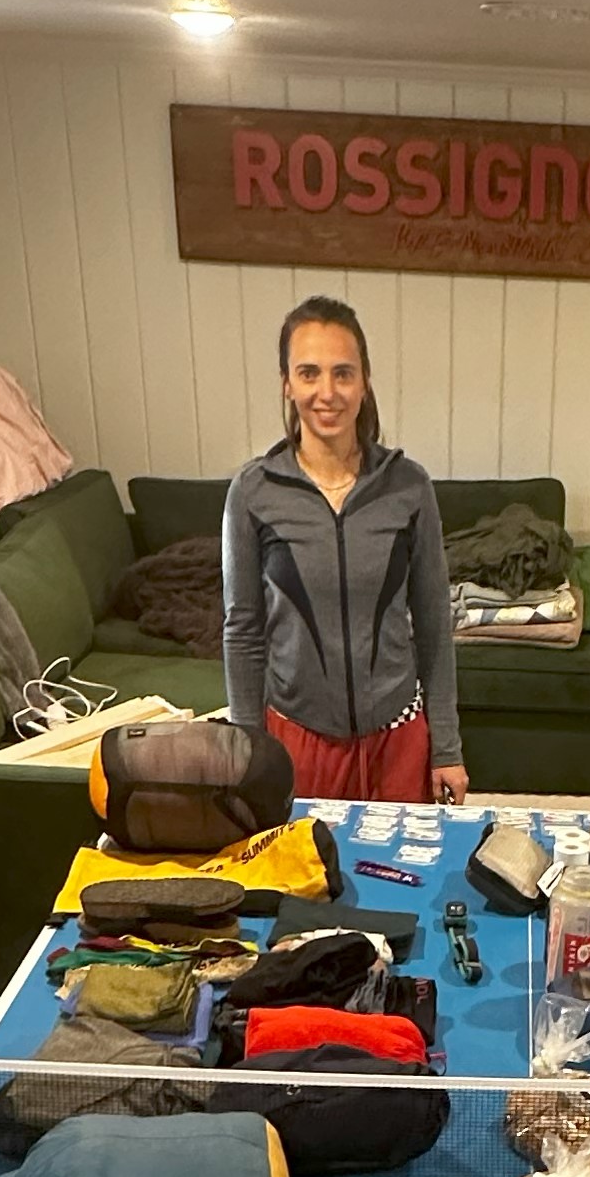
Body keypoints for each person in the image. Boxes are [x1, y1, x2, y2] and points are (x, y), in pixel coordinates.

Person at [221, 297, 468, 804]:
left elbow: (433, 621)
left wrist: (446, 747)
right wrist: (247, 752)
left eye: (343, 373)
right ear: (287, 383)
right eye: (309, 373)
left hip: (397, 737)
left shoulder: (409, 485)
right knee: (303, 859)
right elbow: (242, 630)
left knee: (408, 858)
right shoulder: (253, 491)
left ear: (364, 381)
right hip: (296, 739)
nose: (327, 392)